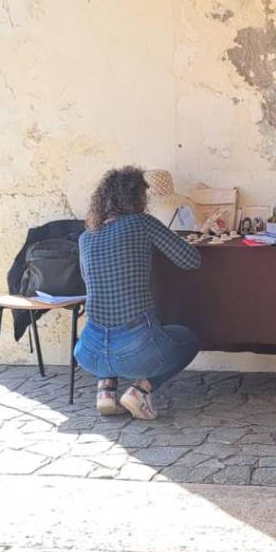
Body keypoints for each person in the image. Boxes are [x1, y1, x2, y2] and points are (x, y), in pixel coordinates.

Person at [73, 166, 202, 419]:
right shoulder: (141, 223)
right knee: (188, 339)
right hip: (136, 350)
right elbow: (191, 260)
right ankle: (140, 391)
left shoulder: (85, 237)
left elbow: (90, 280)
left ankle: (106, 390)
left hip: (90, 352)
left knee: (108, 319)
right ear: (135, 197)